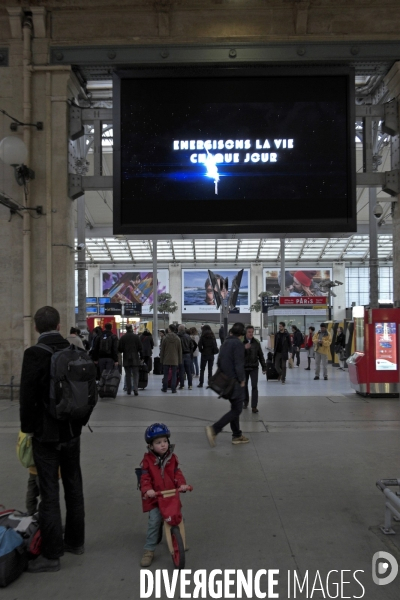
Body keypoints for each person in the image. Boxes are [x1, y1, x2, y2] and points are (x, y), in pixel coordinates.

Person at [19, 306, 86, 573]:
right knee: (74, 485)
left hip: (46, 435)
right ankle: (76, 542)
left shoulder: (34, 354)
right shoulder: (75, 351)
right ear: (59, 326)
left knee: (48, 492)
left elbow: (27, 398)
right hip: (72, 431)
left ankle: (52, 554)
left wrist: (29, 430)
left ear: (36, 327)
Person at [139, 423, 189, 567]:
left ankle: (181, 543)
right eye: (158, 442)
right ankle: (149, 550)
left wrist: (182, 484)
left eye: (165, 441)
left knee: (178, 518)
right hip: (155, 497)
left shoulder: (172, 458)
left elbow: (176, 473)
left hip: (171, 496)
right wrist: (147, 490)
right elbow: (145, 478)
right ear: (150, 446)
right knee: (154, 521)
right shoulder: (147, 461)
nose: (163, 445)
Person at [205, 322, 249, 446]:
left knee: (235, 408)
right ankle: (214, 429)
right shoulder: (238, 344)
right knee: (237, 410)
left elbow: (220, 362)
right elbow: (238, 364)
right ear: (241, 334)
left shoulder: (225, 342)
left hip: (226, 381)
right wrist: (242, 380)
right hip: (234, 382)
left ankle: (237, 435)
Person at [243, 325, 266, 413]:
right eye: (249, 332)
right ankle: (245, 402)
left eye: (252, 332)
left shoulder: (256, 342)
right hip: (244, 368)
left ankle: (254, 406)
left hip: (254, 367)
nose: (251, 334)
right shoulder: (241, 342)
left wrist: (264, 366)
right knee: (244, 385)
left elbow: (260, 355)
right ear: (246, 333)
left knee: (254, 386)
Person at [118, 324, 143, 396]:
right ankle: (135, 389)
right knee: (135, 374)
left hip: (126, 358)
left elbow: (120, 349)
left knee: (128, 374)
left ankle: (129, 390)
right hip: (135, 358)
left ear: (126, 329)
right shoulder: (136, 337)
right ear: (131, 328)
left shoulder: (123, 338)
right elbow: (140, 347)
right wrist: (142, 356)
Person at [160, 325, 182, 393]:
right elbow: (179, 350)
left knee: (166, 374)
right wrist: (180, 361)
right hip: (175, 359)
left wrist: (161, 360)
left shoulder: (165, 338)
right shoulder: (177, 338)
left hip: (166, 359)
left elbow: (162, 350)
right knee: (174, 374)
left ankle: (165, 388)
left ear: (169, 330)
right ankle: (173, 389)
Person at [177, 324, 194, 390]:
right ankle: (190, 385)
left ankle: (182, 385)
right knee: (188, 371)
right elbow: (192, 346)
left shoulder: (177, 336)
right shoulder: (188, 336)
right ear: (184, 329)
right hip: (187, 354)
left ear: (178, 329)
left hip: (180, 355)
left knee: (181, 371)